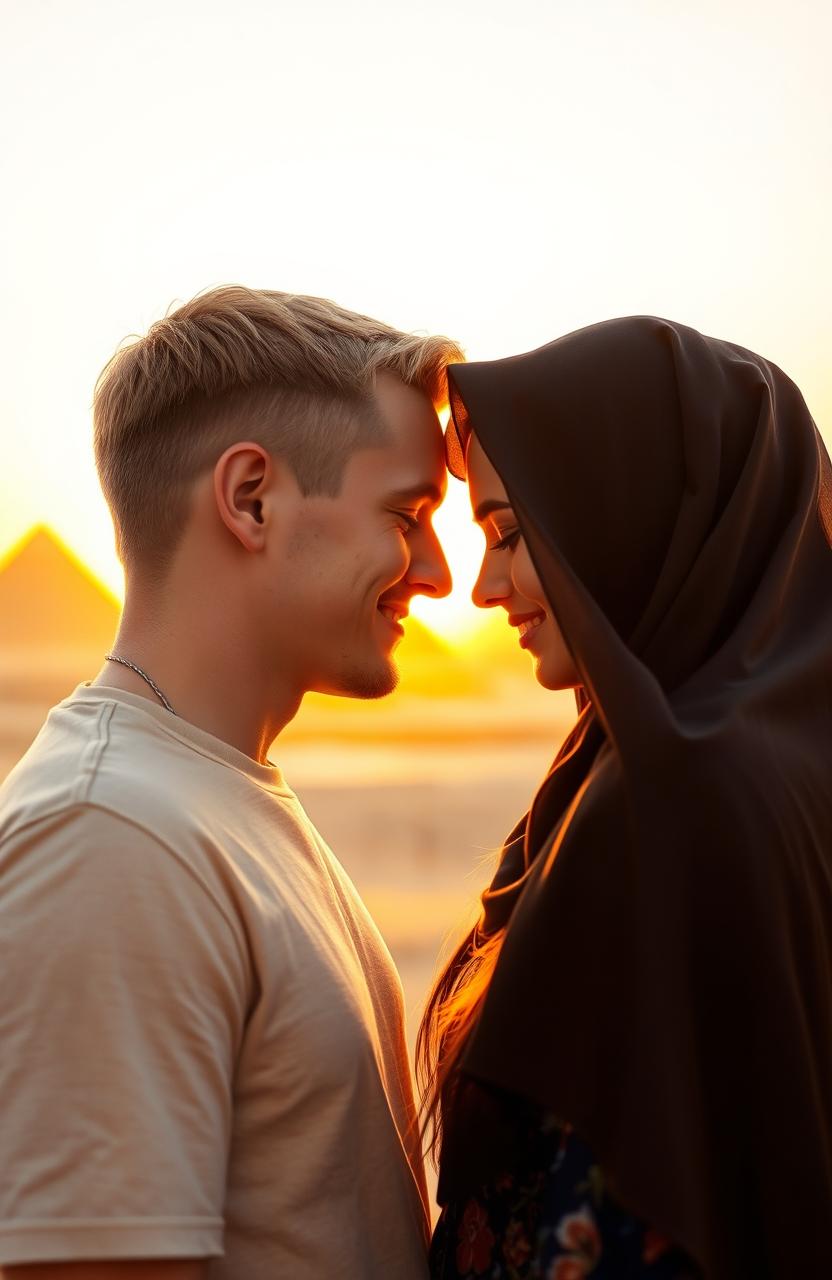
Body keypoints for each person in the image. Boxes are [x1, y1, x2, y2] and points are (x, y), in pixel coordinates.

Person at [0, 285, 463, 1280]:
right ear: (251, 496)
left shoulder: (205, 796)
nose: (435, 570)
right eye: (407, 512)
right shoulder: (108, 834)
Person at [418, 316, 832, 1278]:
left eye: (511, 534)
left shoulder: (671, 801)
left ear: (627, 515)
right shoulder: (782, 762)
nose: (483, 587)